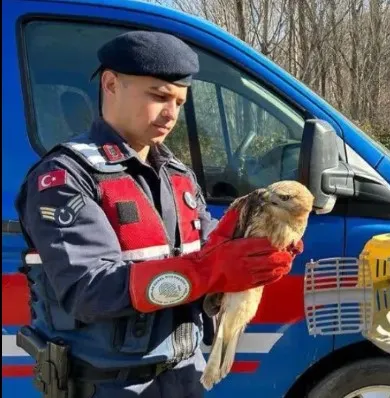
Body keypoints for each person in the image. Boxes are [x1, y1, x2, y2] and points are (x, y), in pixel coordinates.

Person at [14, 31, 300, 397]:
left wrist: (258, 246)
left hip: (186, 374)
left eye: (180, 102)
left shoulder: (177, 175)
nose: (171, 114)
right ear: (111, 83)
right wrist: (212, 268)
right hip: (107, 384)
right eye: (159, 96)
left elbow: (208, 248)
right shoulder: (65, 178)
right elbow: (90, 289)